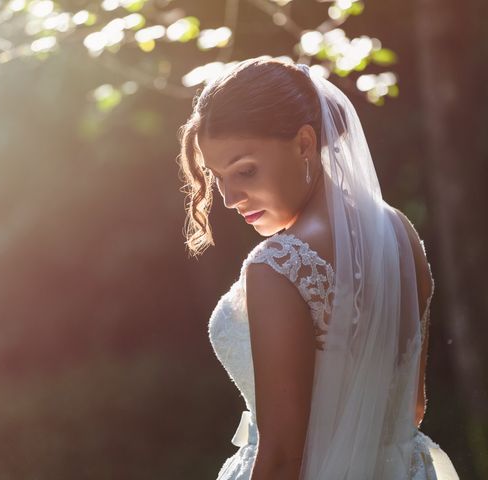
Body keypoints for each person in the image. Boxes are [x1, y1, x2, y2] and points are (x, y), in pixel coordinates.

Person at [176, 56, 460, 479]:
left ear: (305, 143)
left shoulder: (277, 267)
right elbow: (412, 407)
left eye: (246, 171)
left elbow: (283, 457)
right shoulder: (398, 233)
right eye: (218, 177)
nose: (231, 197)